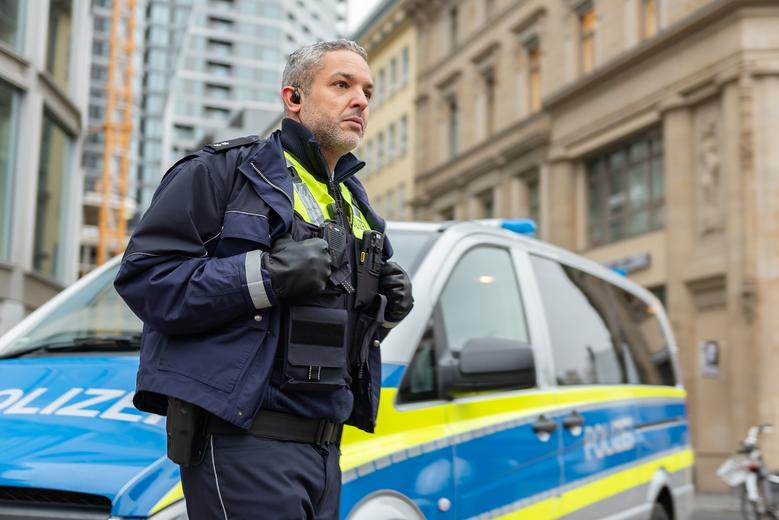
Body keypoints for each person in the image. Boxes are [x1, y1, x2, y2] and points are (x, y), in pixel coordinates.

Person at [114, 39, 413, 519]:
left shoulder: (356, 204)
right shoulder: (223, 172)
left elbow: (332, 328)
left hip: (325, 449)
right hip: (244, 442)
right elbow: (147, 279)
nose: (360, 100)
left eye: (367, 91)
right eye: (341, 85)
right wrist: (264, 276)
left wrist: (385, 311)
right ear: (293, 98)